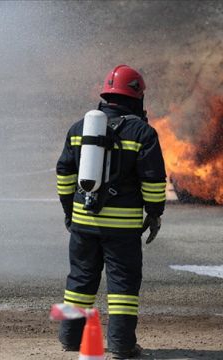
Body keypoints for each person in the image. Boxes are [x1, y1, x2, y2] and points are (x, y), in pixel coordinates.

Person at [55, 65, 166, 359]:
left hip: (82, 223)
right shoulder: (142, 132)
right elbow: (153, 180)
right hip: (123, 229)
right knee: (123, 287)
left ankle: (69, 337)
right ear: (137, 97)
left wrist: (70, 209)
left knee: (79, 280)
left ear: (106, 95)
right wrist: (154, 213)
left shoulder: (79, 128)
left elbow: (64, 173)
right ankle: (121, 345)